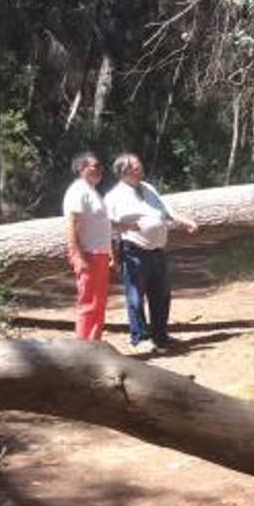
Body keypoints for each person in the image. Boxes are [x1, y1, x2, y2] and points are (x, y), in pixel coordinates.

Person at [104, 153, 198, 354]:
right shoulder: (113, 197)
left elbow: (167, 212)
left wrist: (186, 222)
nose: (141, 168)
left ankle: (160, 336)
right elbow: (108, 227)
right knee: (136, 298)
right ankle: (140, 338)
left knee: (162, 295)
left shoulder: (149, 188)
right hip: (134, 252)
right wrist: (114, 257)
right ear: (124, 172)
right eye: (136, 166)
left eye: (139, 164)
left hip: (158, 251)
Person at [62, 151, 113, 340]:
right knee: (88, 304)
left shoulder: (91, 192)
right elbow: (71, 224)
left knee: (98, 303)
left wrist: (110, 253)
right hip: (88, 255)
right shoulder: (78, 191)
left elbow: (102, 225)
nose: (100, 169)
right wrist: (77, 256)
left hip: (99, 255)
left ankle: (95, 347)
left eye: (101, 166)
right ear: (81, 169)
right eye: (95, 165)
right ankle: (83, 351)